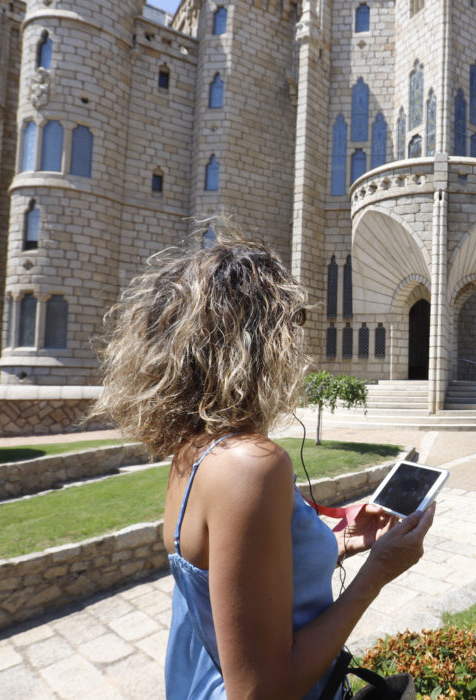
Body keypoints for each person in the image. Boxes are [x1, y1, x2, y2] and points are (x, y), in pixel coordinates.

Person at [93, 234, 435, 699]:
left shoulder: (197, 450)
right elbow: (262, 692)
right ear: (257, 343)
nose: (296, 352)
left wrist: (339, 543)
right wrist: (377, 573)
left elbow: (239, 585)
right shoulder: (250, 465)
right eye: (289, 330)